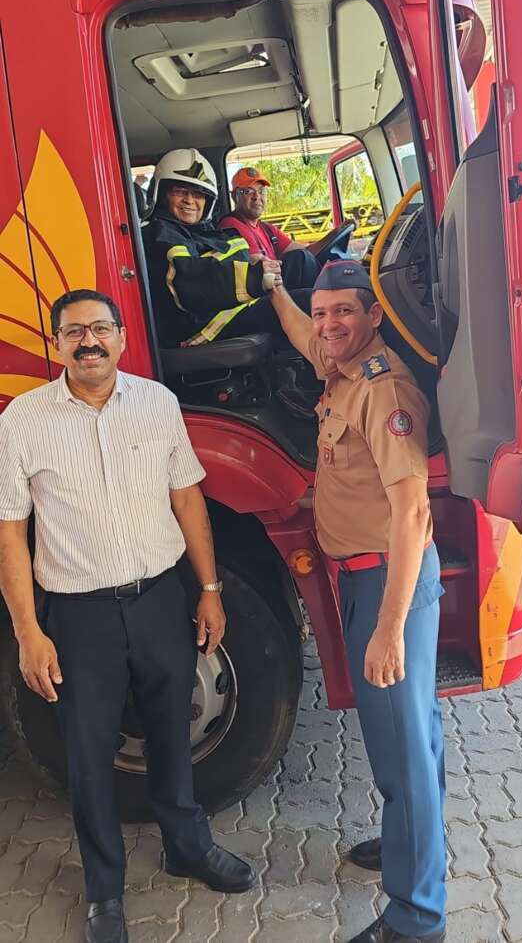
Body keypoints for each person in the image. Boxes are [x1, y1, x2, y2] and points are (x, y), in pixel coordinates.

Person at [0, 289, 256, 943]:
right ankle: (104, 890)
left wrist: (208, 588)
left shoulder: (157, 404)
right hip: (78, 617)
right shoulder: (22, 420)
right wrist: (29, 631)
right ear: (56, 342)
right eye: (74, 331)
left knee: (172, 733)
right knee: (87, 756)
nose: (88, 340)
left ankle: (187, 847)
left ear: (120, 336)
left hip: (159, 601)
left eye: (100, 328)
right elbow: (10, 531)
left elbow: (188, 500)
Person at [270, 260, 446, 943]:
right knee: (409, 738)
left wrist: (390, 626)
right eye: (322, 313)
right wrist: (277, 291)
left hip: (388, 581)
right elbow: (297, 333)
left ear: (372, 314)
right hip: (364, 574)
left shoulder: (383, 389)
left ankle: (417, 915)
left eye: (343, 311)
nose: (328, 325)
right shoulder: (340, 365)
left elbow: (411, 512)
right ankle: (409, 841)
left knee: (404, 746)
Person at [144, 148, 311, 348]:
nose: (190, 200)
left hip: (228, 310)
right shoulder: (162, 234)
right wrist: (254, 275)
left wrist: (252, 262)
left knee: (313, 289)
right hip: (204, 324)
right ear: (162, 195)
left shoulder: (203, 232)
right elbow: (190, 282)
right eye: (180, 192)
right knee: (313, 303)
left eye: (198, 194)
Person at [218, 165, 320, 289]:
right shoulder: (232, 226)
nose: (257, 197)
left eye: (261, 191)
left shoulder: (267, 229)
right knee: (301, 260)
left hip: (278, 287)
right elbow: (258, 269)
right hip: (265, 293)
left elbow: (308, 251)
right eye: (248, 191)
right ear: (234, 196)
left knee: (301, 257)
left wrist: (336, 233)